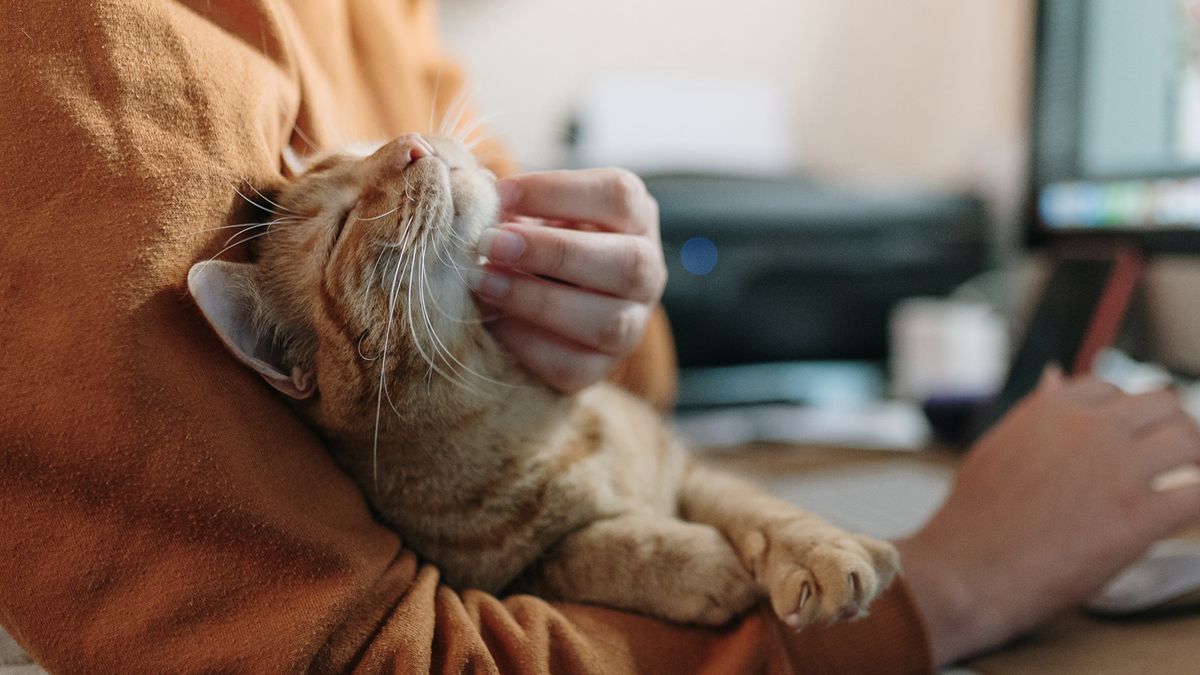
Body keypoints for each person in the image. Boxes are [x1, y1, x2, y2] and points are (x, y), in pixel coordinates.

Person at [2, 1, 1199, 672]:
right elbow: (367, 658)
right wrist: (950, 586)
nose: (410, 153)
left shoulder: (379, 13)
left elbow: (622, 381)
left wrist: (605, 306)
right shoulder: (80, 63)